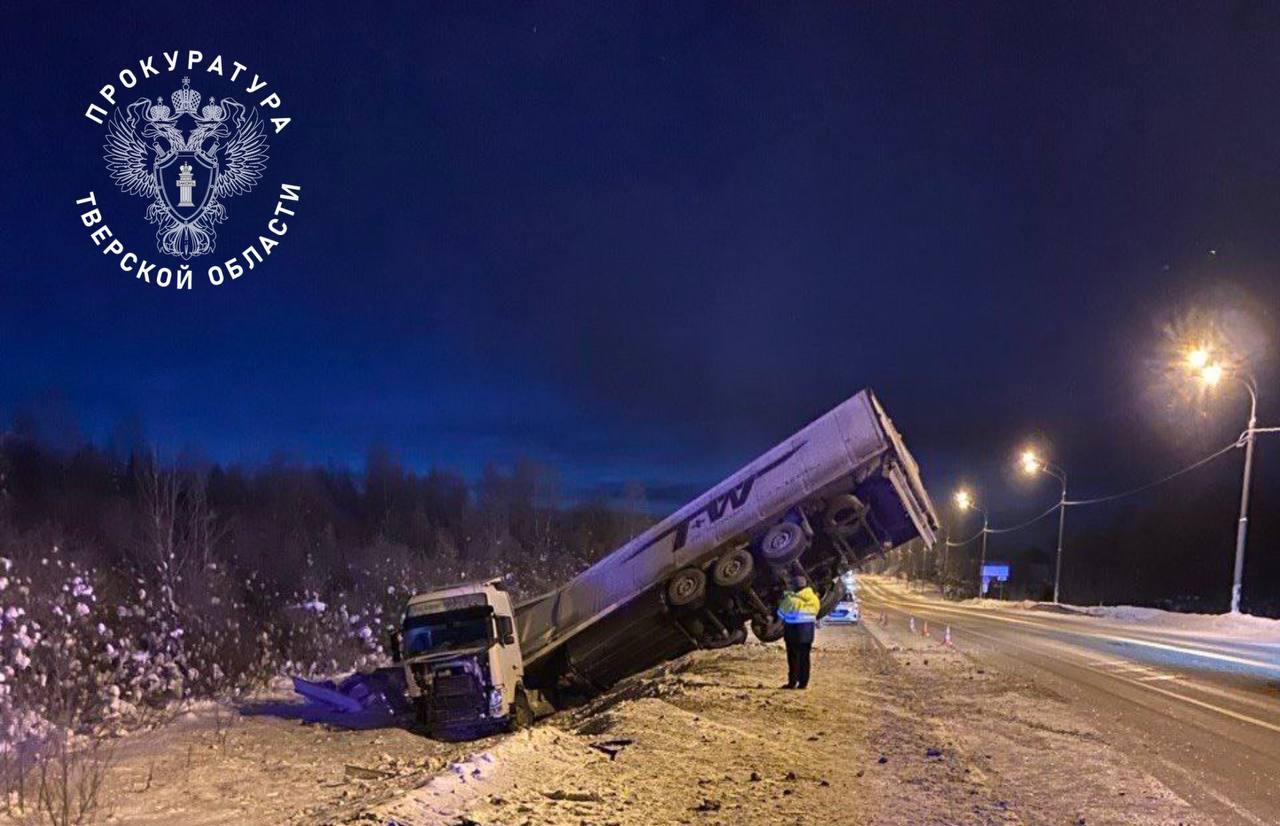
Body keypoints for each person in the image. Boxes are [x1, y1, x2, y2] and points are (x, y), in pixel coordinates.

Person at [776, 574, 820, 689]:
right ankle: (803, 683)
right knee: (805, 658)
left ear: (795, 587)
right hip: (808, 633)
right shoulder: (814, 599)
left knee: (793, 658)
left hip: (793, 633)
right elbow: (816, 612)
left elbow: (780, 614)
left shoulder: (791, 600)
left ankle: (792, 682)